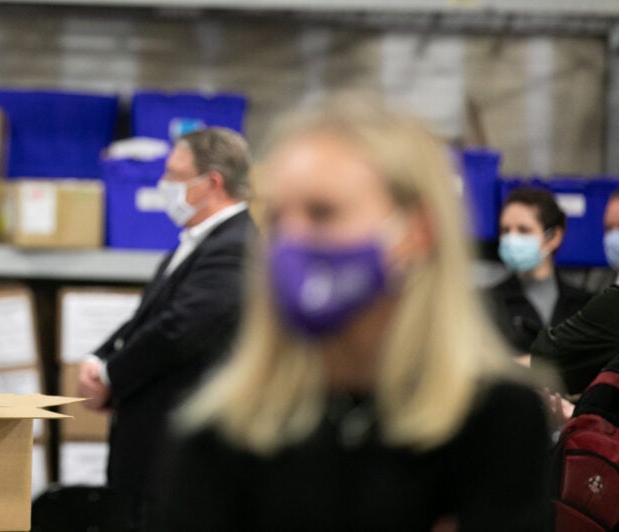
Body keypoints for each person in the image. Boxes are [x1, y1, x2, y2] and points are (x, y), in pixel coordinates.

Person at [154, 96, 551, 530]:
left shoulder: (498, 424)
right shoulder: (222, 430)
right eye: (279, 217)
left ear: (416, 231)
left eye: (323, 213)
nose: (292, 241)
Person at [76, 127, 256, 531]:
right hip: (150, 458)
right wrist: (99, 358)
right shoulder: (195, 242)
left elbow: (179, 330)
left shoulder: (235, 247)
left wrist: (110, 376)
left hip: (179, 461)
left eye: (174, 175)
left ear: (211, 183)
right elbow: (148, 318)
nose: (163, 185)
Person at [531, 189, 619, 395]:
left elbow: (550, 357)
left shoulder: (610, 304)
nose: (614, 237)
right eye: (608, 228)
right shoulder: (600, 289)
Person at [485, 187, 592, 353]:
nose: (511, 239)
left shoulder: (585, 306)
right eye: (505, 230)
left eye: (523, 230)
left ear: (554, 236)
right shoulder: (486, 303)